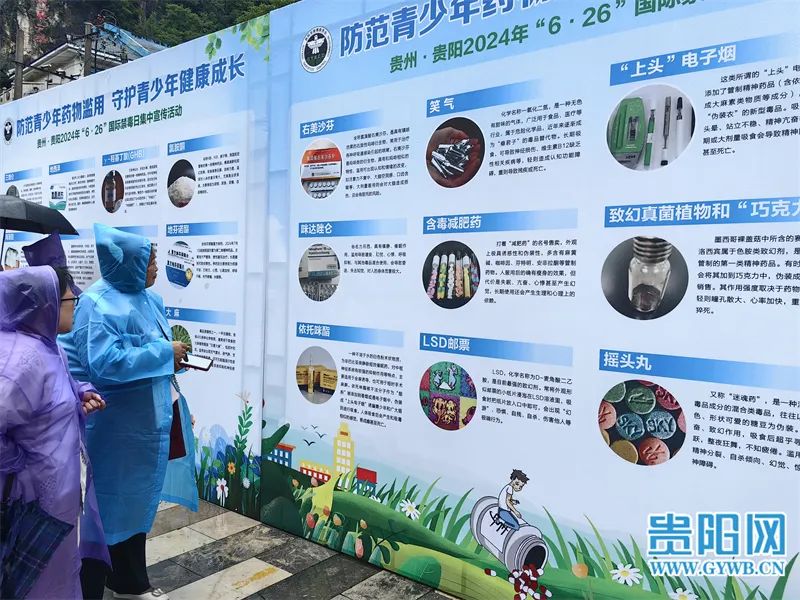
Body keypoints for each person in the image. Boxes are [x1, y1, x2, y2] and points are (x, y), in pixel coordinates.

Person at [61, 223, 195, 600]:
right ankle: (96, 585)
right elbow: (104, 363)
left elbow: (153, 351)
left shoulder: (150, 299)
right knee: (108, 508)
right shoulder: (96, 304)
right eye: (150, 262)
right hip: (114, 427)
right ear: (129, 263)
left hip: (148, 421)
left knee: (136, 505)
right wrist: (164, 354)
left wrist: (173, 363)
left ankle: (129, 582)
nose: (156, 268)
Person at [0, 265, 109, 599]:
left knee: (60, 572)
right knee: (38, 582)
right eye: (69, 296)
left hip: (56, 494)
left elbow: (50, 395)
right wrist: (19, 464)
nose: (75, 299)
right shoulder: (24, 361)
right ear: (46, 304)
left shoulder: (47, 346)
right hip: (34, 499)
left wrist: (79, 393)